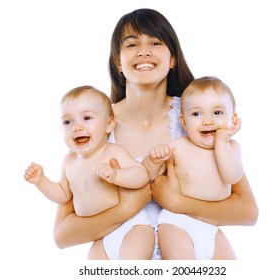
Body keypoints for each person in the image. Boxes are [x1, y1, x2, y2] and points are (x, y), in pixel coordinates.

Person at [53, 8, 258, 260]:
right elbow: (63, 235)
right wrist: (126, 208)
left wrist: (179, 203)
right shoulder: (94, 123)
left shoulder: (197, 117)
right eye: (131, 44)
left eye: (155, 42)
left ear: (173, 59)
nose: (143, 51)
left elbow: (247, 211)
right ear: (118, 61)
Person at [24, 85, 154, 260]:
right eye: (67, 122)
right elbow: (62, 195)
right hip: (100, 234)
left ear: (109, 125)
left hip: (133, 226)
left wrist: (117, 176)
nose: (76, 127)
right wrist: (41, 181)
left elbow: (141, 175)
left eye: (86, 118)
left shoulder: (112, 152)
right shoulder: (68, 161)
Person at [142, 76, 244, 259]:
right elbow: (147, 177)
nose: (207, 121)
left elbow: (232, 177)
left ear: (233, 119)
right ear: (183, 121)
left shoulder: (231, 148)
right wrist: (153, 160)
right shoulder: (178, 147)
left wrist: (222, 141)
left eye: (218, 113)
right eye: (197, 114)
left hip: (211, 225)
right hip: (176, 223)